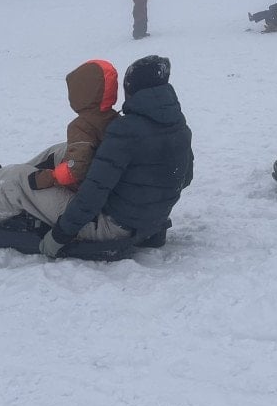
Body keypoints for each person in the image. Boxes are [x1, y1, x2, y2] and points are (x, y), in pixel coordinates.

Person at [38, 55, 194, 257]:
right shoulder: (178, 124)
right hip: (154, 221)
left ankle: (9, 180)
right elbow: (185, 178)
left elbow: (94, 192)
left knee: (18, 182)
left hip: (115, 226)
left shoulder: (126, 130)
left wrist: (60, 235)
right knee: (62, 150)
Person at [0, 60, 122, 236]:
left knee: (15, 181)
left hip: (95, 216)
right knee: (59, 151)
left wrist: (47, 177)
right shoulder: (113, 120)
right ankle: (8, 179)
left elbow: (75, 170)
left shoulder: (83, 126)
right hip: (105, 200)